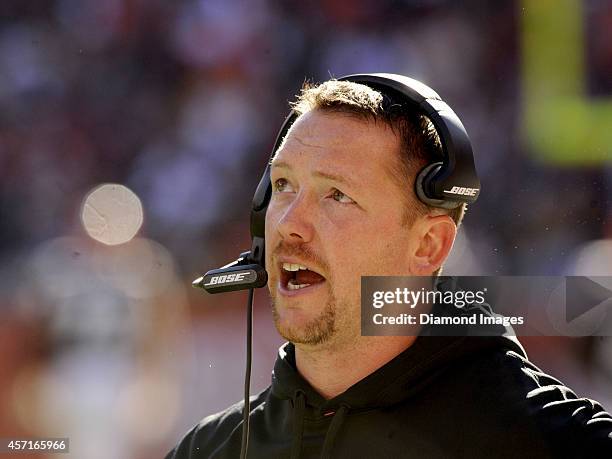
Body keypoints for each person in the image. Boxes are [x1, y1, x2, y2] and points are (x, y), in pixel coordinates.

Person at [165, 77, 612, 458]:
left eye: (337, 194)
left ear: (429, 244)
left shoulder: (557, 442)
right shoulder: (212, 448)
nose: (287, 225)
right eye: (283, 185)